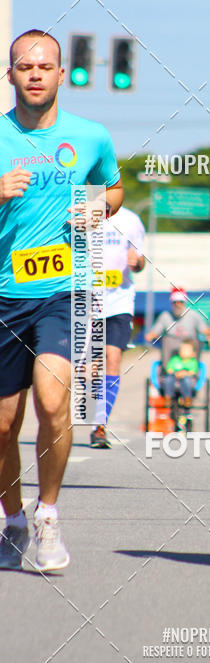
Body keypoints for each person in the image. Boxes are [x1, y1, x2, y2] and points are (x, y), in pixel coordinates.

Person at [0, 29, 122, 572]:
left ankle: (48, 516)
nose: (34, 74)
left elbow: (112, 188)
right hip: (4, 294)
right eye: (24, 66)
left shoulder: (91, 136)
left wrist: (100, 207)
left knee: (53, 401)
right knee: (3, 424)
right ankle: (13, 519)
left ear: (60, 75)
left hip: (63, 288)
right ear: (10, 75)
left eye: (44, 66)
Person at [90, 205, 145, 448]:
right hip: (84, 299)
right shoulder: (79, 212)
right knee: (88, 367)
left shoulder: (131, 220)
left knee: (112, 358)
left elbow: (140, 260)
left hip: (119, 300)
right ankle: (91, 410)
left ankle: (99, 424)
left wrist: (137, 262)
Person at [145, 287, 210, 374]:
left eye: (181, 302)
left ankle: (193, 372)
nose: (178, 305)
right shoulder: (165, 316)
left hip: (189, 342)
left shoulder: (193, 315)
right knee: (166, 340)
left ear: (185, 303)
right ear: (172, 303)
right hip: (171, 343)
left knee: (195, 342)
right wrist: (151, 335)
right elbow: (155, 331)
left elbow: (205, 330)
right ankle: (167, 372)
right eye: (175, 303)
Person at [163, 339, 199, 409]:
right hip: (174, 377)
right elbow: (169, 369)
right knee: (168, 379)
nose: (184, 352)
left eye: (187, 350)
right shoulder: (175, 359)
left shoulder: (192, 362)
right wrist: (175, 373)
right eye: (182, 349)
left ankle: (187, 398)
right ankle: (168, 398)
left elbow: (193, 372)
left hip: (186, 377)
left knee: (187, 380)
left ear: (193, 353)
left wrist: (185, 374)